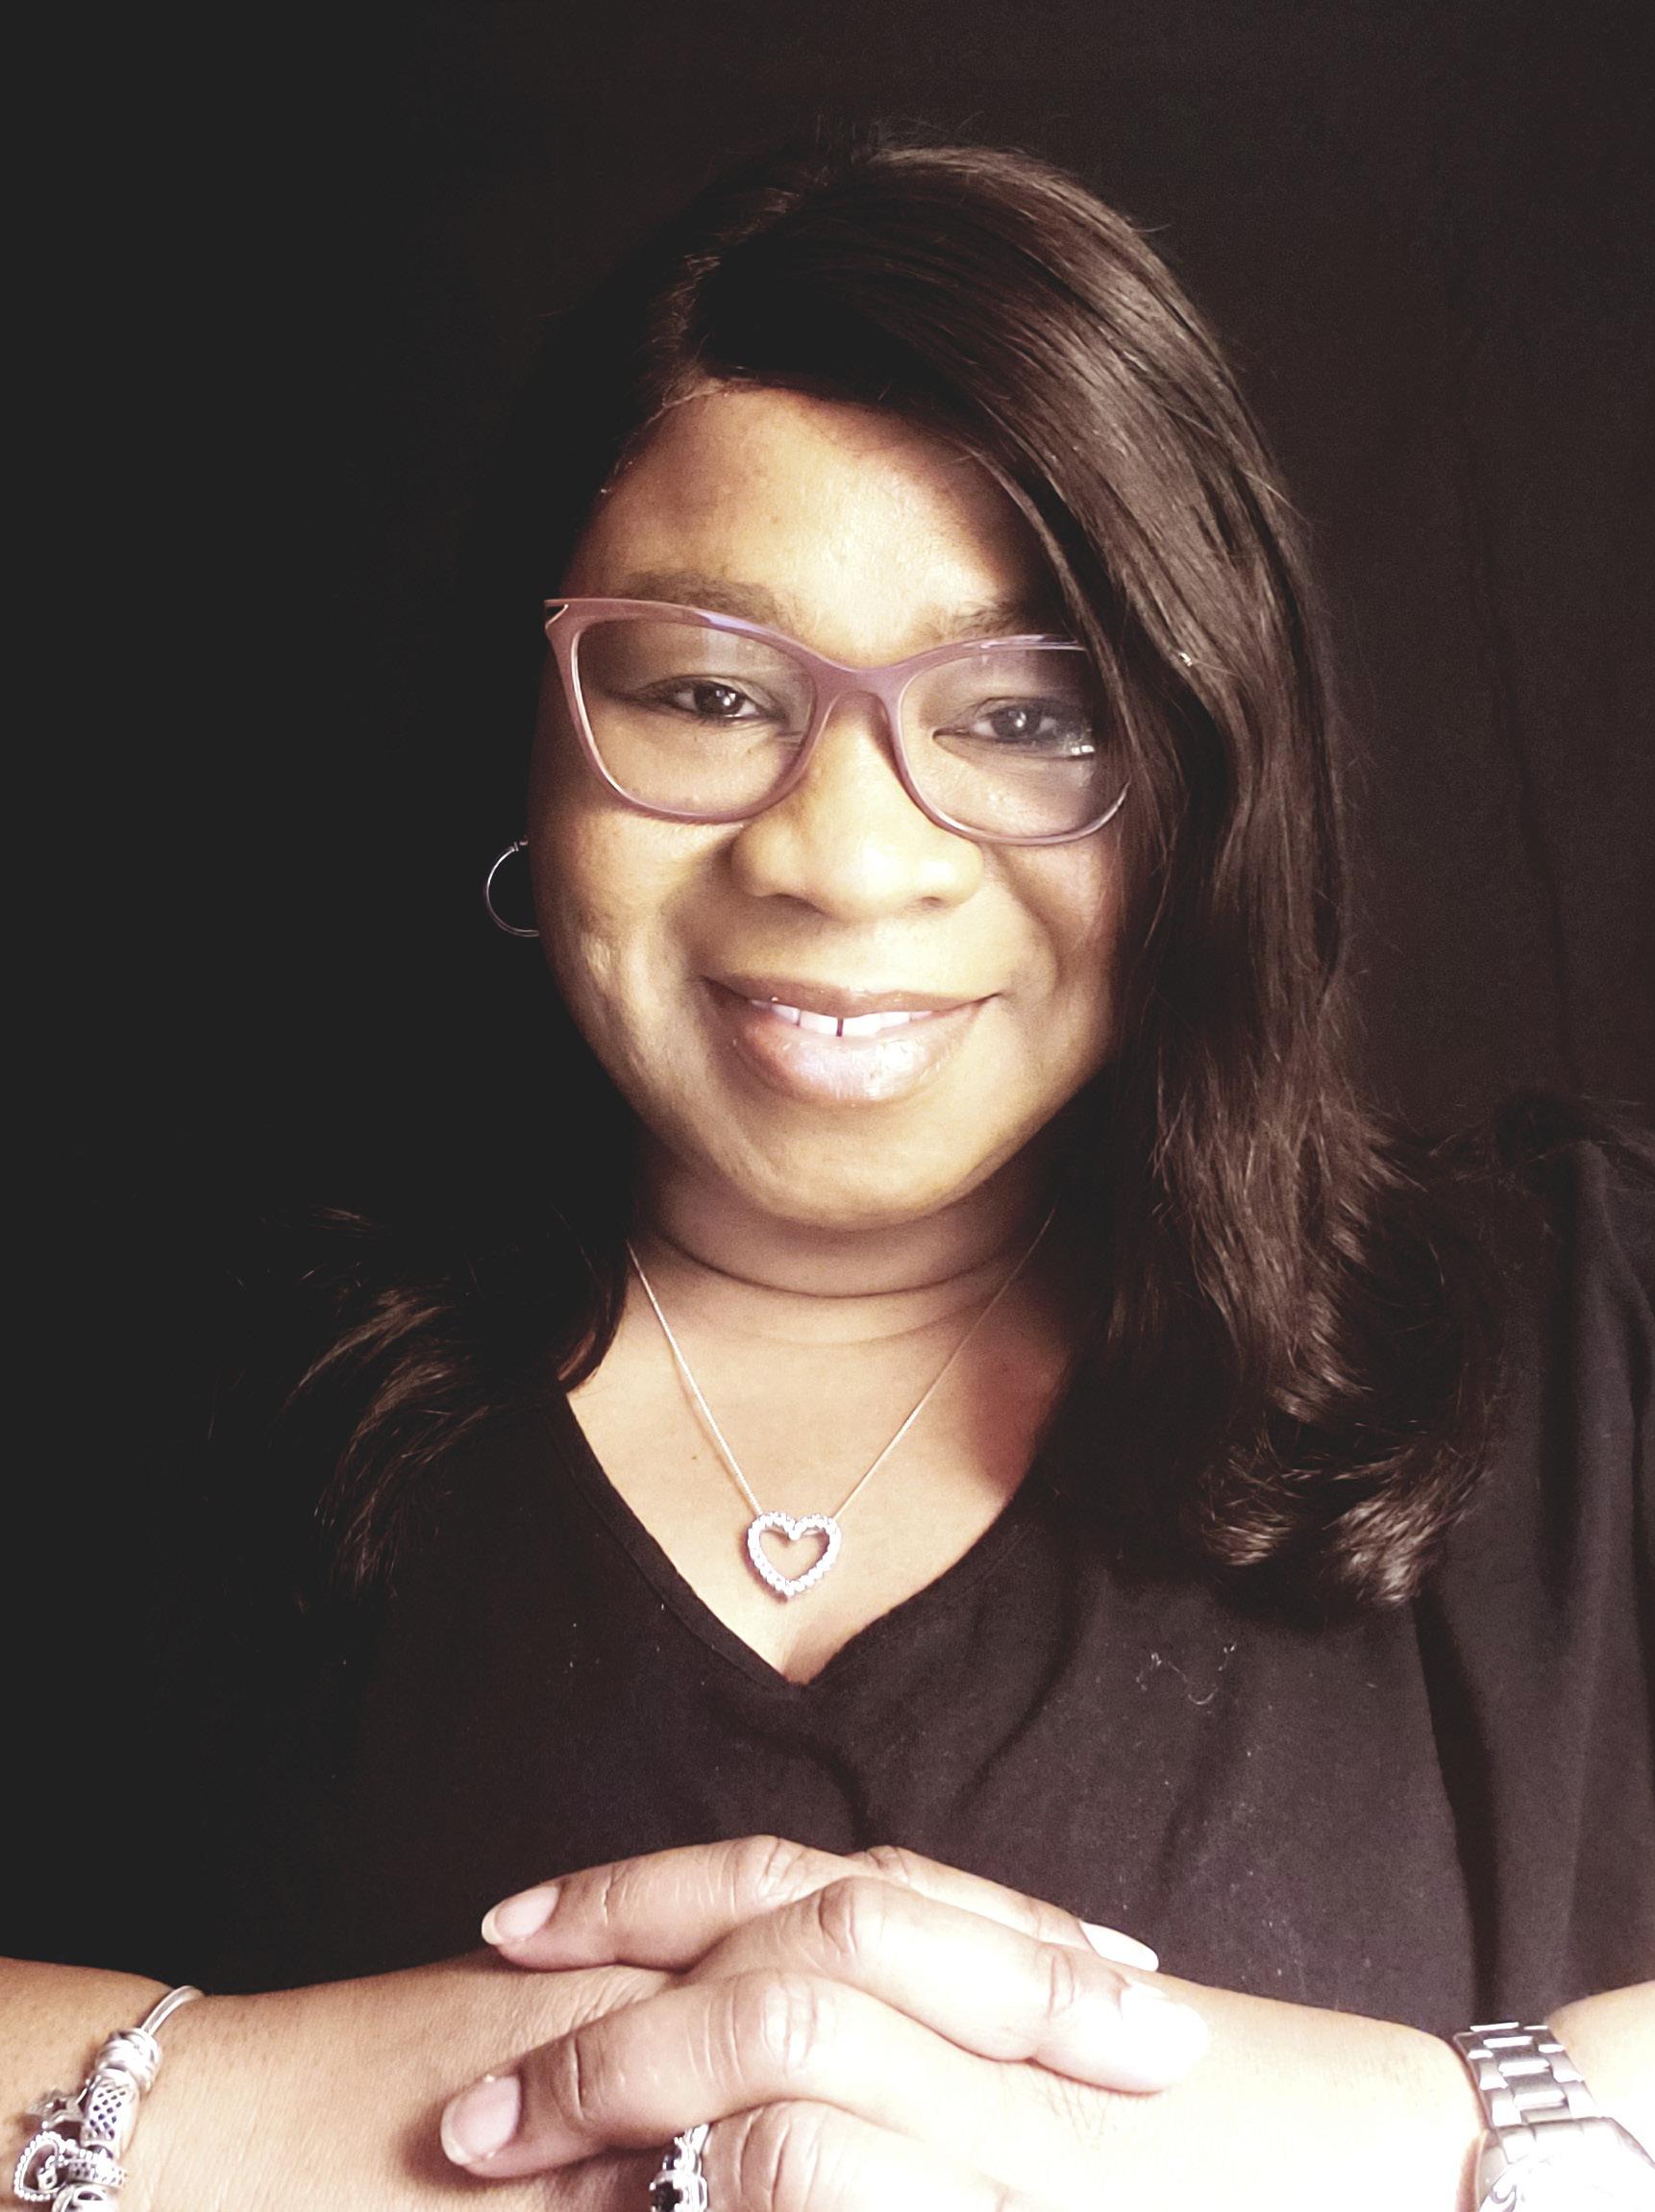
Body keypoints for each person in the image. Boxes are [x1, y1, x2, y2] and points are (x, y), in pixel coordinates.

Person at [5, 130, 1651, 2211]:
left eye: (1027, 716)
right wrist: (222, 2103)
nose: (847, 857)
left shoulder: (1587, 1332)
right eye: (707, 691)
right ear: (532, 735)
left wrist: (1437, 2137)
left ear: (1207, 772)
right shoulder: (126, 1358)